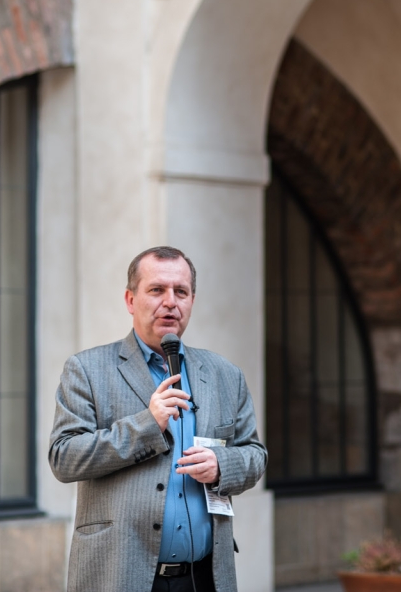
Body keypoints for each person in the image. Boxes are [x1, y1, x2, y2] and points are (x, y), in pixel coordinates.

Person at [49, 246, 267, 592]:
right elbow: (64, 458)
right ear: (130, 299)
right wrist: (147, 425)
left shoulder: (225, 375)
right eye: (156, 290)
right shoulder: (87, 369)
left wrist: (222, 465)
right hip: (120, 575)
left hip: (204, 577)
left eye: (181, 291)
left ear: (192, 300)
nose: (170, 302)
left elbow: (254, 455)